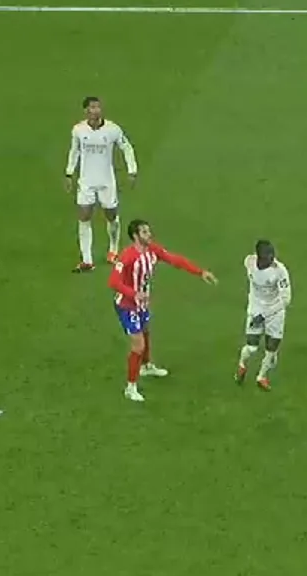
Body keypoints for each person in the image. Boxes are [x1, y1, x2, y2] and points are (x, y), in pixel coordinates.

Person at [107, 219, 217, 402]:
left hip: (142, 303)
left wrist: (200, 272)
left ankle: (146, 366)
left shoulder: (152, 250)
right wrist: (134, 293)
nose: (149, 234)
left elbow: (175, 260)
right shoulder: (127, 256)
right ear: (135, 236)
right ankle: (130, 387)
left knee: (145, 331)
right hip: (127, 305)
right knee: (138, 345)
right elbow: (113, 281)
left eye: (148, 231)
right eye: (144, 232)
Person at [67, 96, 137, 271]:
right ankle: (87, 260)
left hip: (106, 181)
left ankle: (113, 249)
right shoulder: (78, 130)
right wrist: (69, 173)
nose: (96, 110)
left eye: (98, 107)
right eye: (92, 107)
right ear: (86, 110)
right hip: (86, 181)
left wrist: (132, 170)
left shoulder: (112, 129)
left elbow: (126, 147)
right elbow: (74, 151)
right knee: (84, 216)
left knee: (111, 215)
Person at [237, 240, 293, 391]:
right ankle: (242, 365)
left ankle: (261, 376)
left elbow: (286, 299)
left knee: (272, 348)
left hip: (275, 310)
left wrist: (265, 315)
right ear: (259, 256)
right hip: (256, 309)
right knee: (252, 347)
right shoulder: (249, 262)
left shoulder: (280, 271)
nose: (272, 257)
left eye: (272, 253)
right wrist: (258, 313)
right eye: (268, 255)